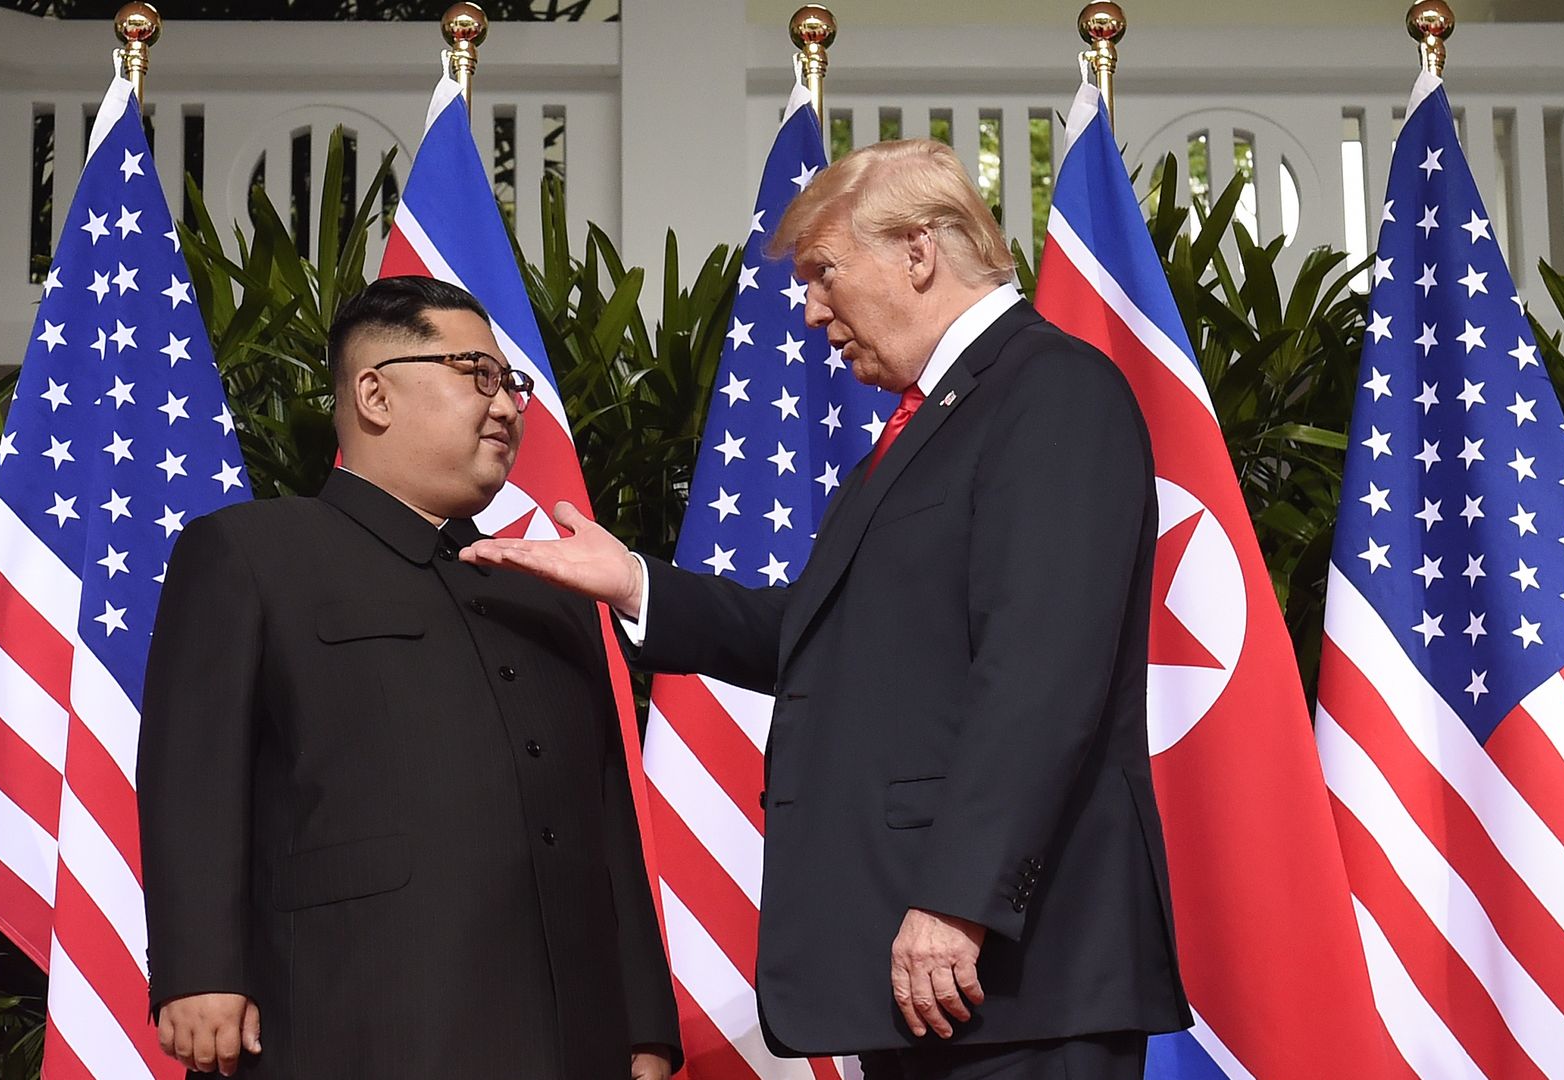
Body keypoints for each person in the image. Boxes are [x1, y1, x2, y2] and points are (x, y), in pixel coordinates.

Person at [461, 139, 1191, 1079]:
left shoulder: (1052, 391)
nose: (809, 310)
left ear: (918, 253)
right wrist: (635, 583)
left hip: (1012, 972)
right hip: (939, 979)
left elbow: (1043, 674)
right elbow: (826, 635)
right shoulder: (937, 420)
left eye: (823, 273)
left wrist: (956, 901)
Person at [137, 275, 680, 1079]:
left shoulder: (549, 589)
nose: (507, 406)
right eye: (479, 376)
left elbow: (605, 814)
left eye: (514, 384)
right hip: (353, 1015)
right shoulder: (253, 554)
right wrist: (200, 971)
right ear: (374, 394)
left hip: (571, 1033)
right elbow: (193, 775)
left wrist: (644, 1025)